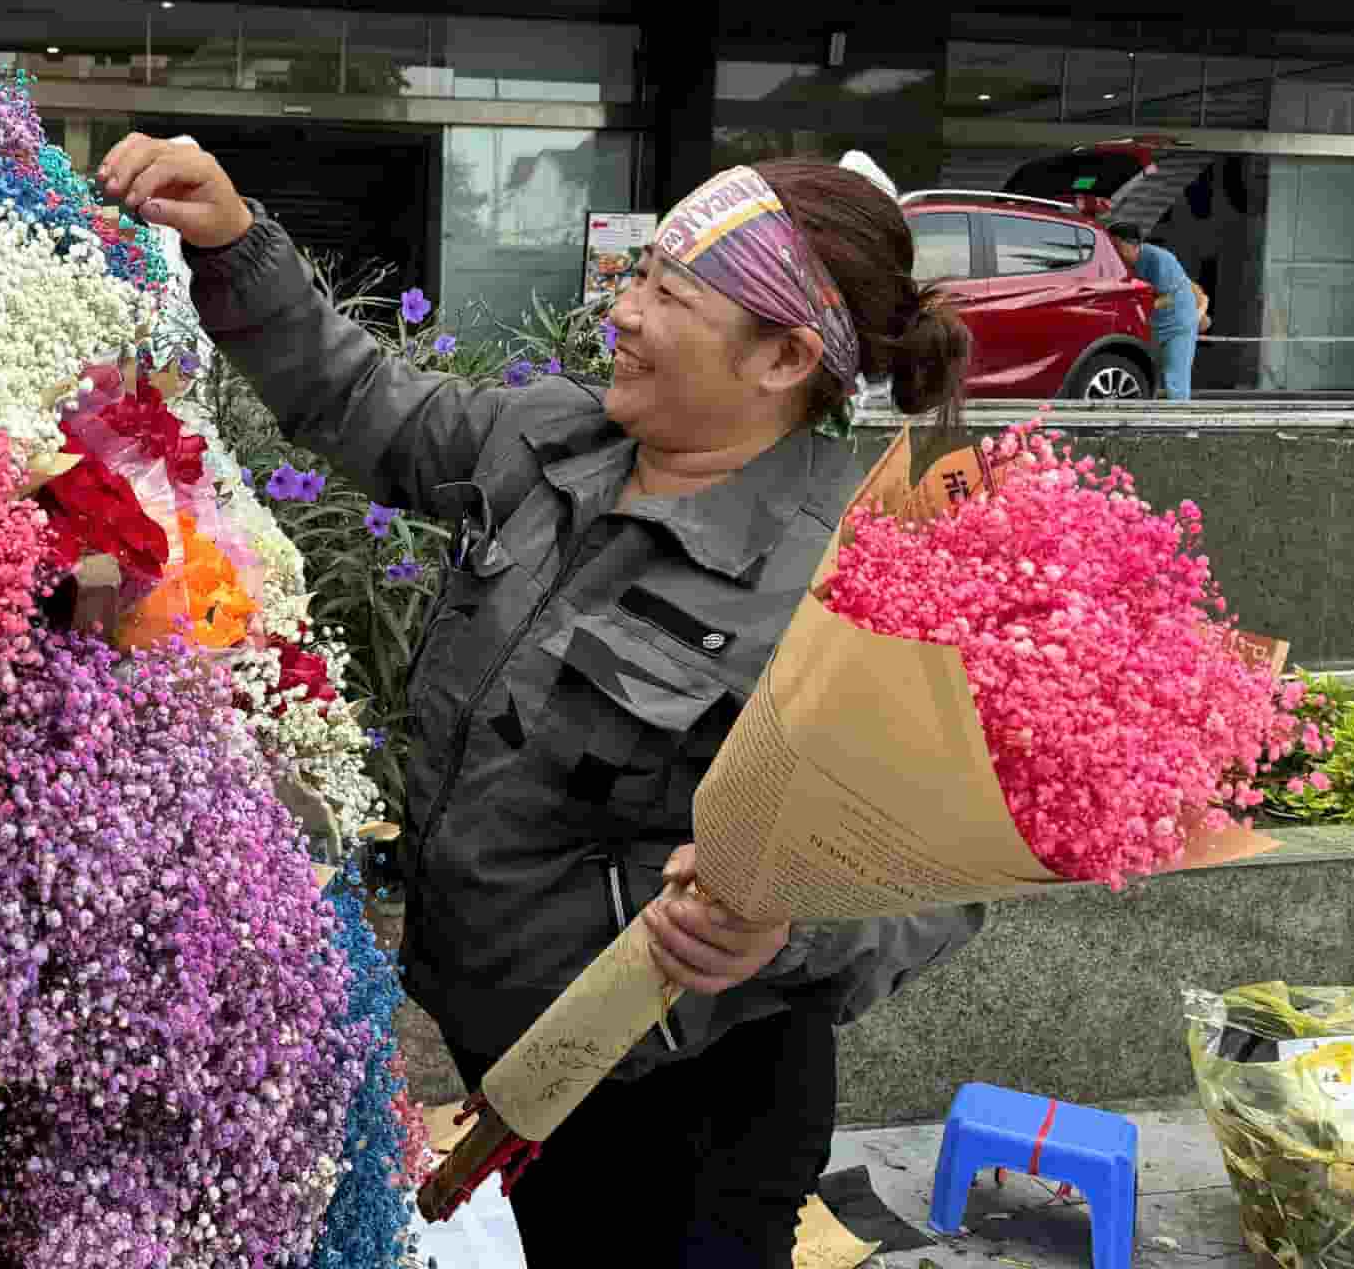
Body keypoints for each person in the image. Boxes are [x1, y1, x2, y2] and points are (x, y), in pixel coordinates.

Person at [100, 137, 987, 1268]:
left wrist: (783, 928)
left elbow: (941, 879)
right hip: (502, 1046)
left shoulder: (854, 575)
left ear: (781, 357)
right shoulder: (554, 438)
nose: (621, 310)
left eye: (668, 292)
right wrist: (235, 241)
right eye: (639, 273)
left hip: (688, 1106)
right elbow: (363, 399)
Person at [1109, 222, 1208, 401]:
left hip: (1179, 322)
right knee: (1144, 371)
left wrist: (1135, 311)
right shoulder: (1122, 263)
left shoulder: (1159, 259)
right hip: (1152, 324)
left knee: (1176, 379)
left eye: (1117, 246)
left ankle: (1178, 423)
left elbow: (1166, 298)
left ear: (1134, 244)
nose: (1114, 252)